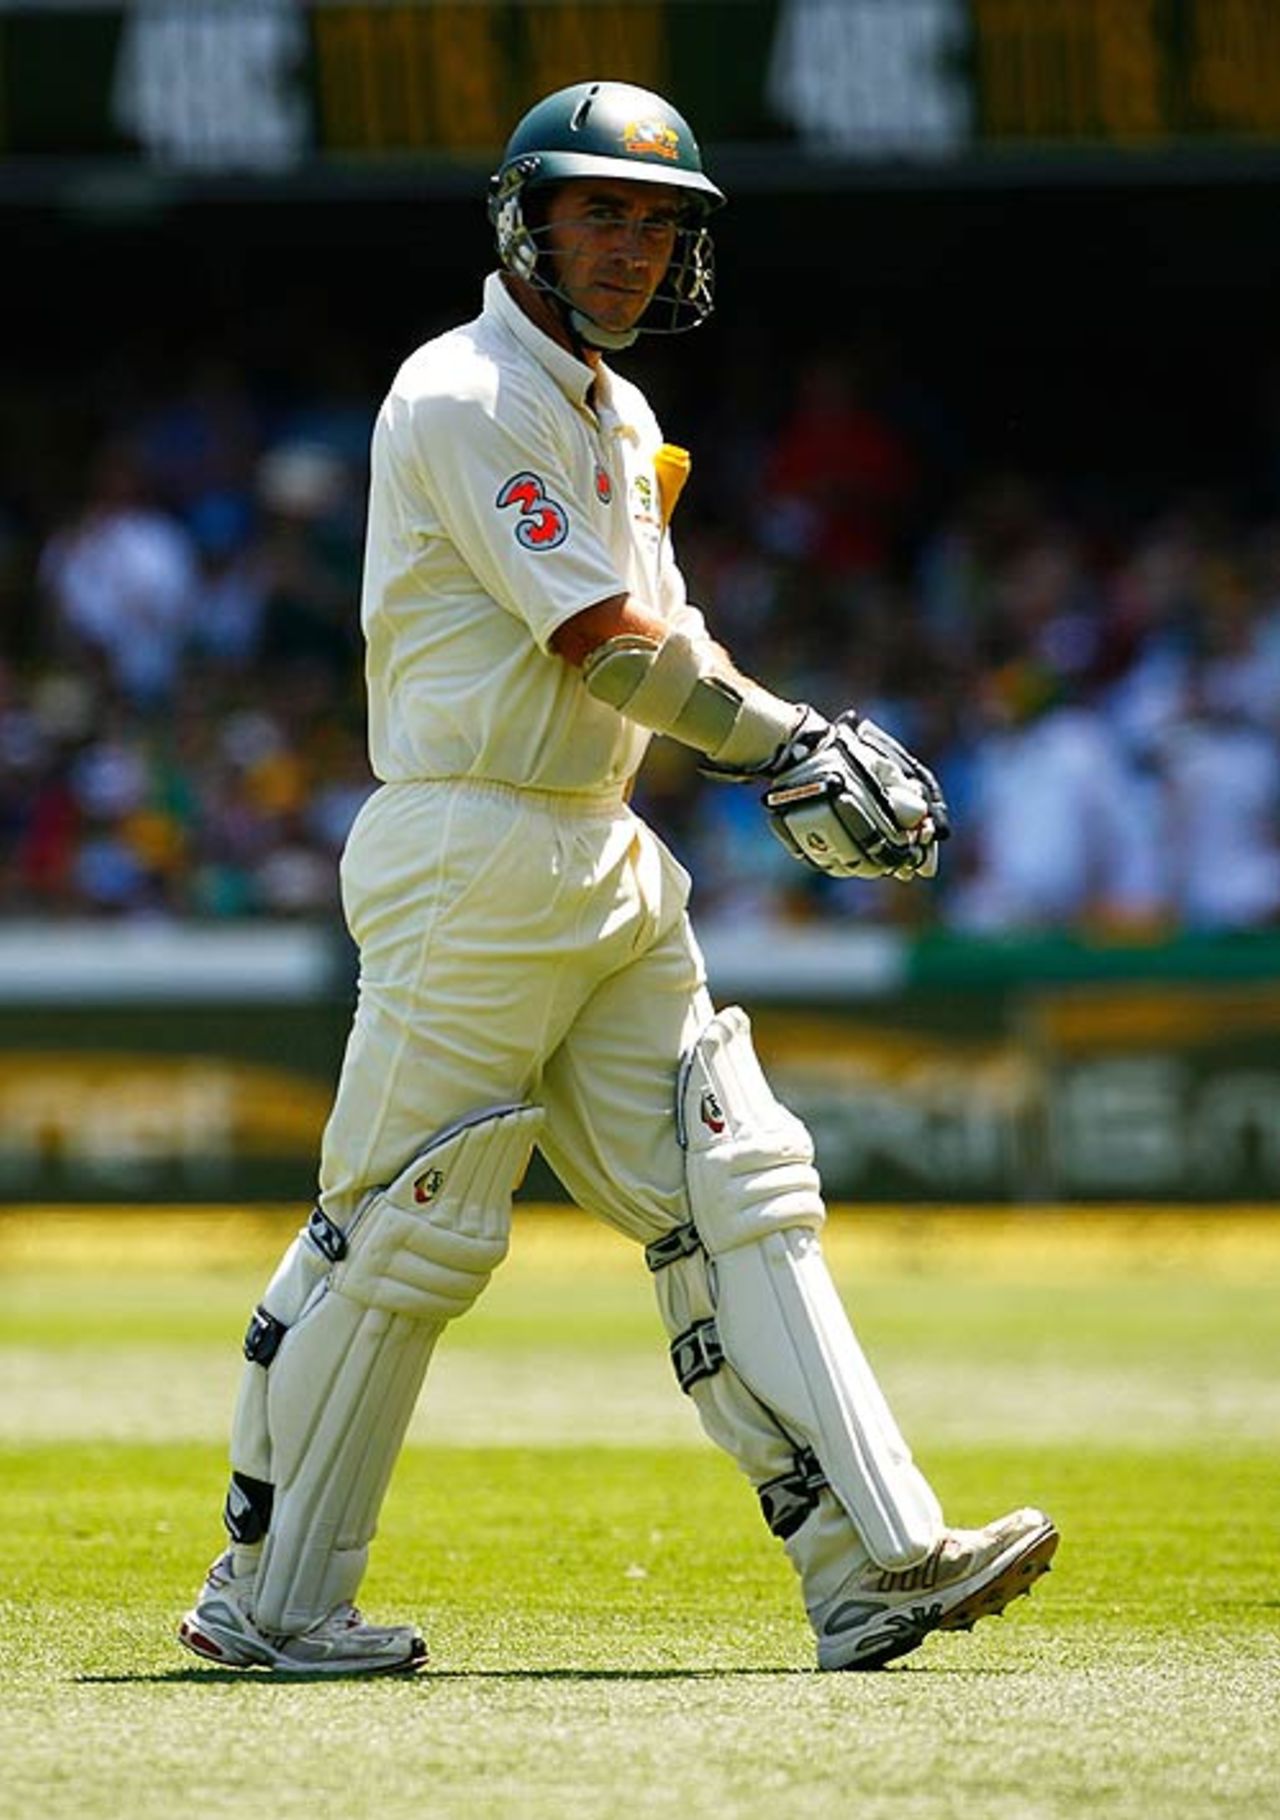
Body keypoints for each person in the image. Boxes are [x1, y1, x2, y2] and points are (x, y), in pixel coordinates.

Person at [178, 80, 1057, 1677]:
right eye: (602, 213)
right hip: (469, 844)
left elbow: (667, 631)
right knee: (407, 1226)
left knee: (737, 1186)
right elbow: (602, 644)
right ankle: (272, 1600)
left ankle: (872, 1564)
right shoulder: (460, 392)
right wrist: (788, 744)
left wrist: (765, 735)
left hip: (598, 842)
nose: (635, 247)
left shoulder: (621, 415)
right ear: (525, 221)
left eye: (659, 223)